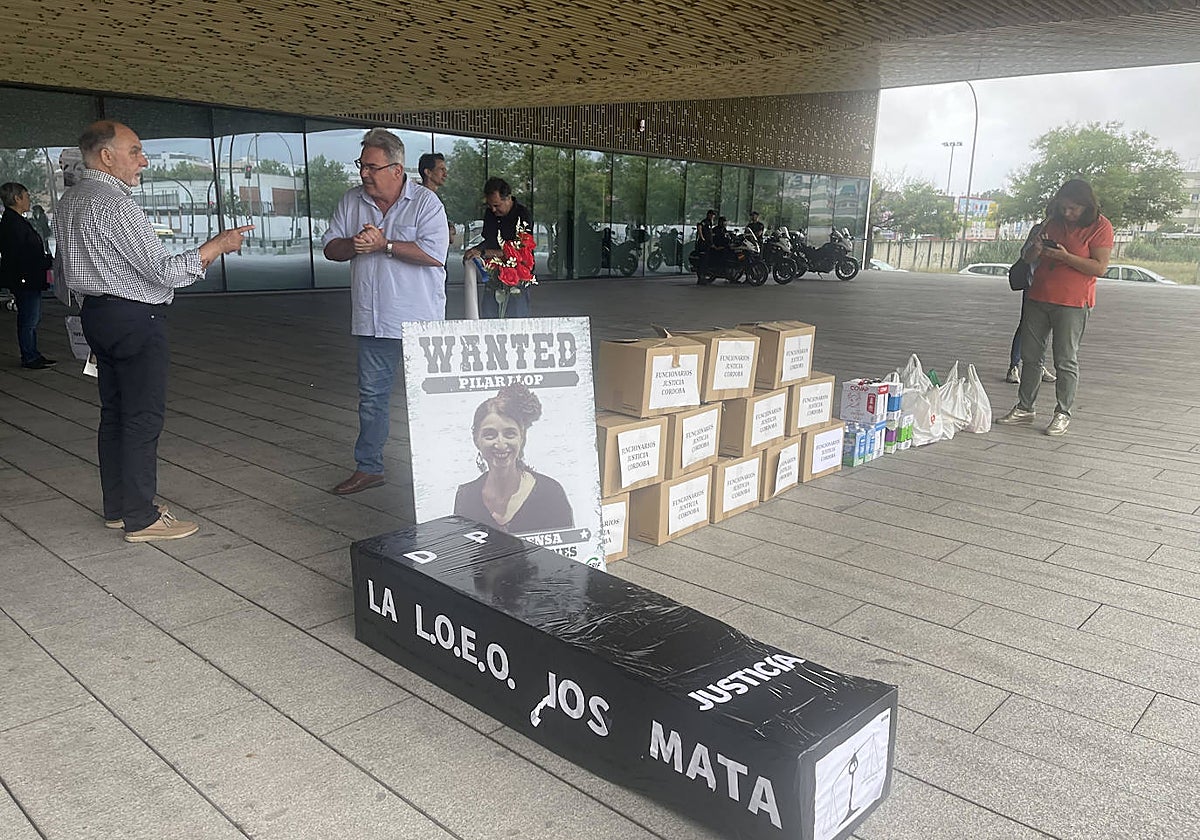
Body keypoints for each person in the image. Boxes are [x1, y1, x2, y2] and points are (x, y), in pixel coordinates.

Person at [53, 120, 253, 542]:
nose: (143, 161)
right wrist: (217, 246)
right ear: (106, 156)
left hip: (97, 315)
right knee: (142, 417)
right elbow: (163, 271)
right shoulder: (115, 204)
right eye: (135, 151)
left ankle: (118, 507)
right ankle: (141, 517)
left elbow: (66, 271)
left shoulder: (72, 199)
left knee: (114, 414)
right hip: (134, 319)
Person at [324, 128, 450, 495]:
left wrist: (386, 245)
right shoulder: (352, 201)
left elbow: (434, 254)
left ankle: (438, 469)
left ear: (396, 169)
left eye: (372, 167)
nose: (364, 173)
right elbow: (331, 248)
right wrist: (355, 243)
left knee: (427, 399)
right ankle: (369, 468)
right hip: (373, 320)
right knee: (372, 399)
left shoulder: (426, 203)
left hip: (419, 321)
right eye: (361, 165)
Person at [996, 179, 1112, 436]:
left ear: (1087, 206)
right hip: (1038, 295)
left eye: (1073, 209)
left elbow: (1100, 267)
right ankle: (1025, 408)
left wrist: (1065, 257)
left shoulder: (1100, 226)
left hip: (1073, 301)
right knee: (1031, 356)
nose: (1067, 213)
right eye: (1063, 207)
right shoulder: (1052, 221)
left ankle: (1062, 412)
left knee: (1065, 358)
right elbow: (1026, 258)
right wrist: (1035, 250)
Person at [453, 382, 573, 534]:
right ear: (476, 440)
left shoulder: (550, 494)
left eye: (509, 434)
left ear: (522, 438)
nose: (500, 444)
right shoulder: (466, 497)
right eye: (490, 435)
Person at [0, 183, 55, 369]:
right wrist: (44, 262)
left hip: (28, 276)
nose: (29, 200)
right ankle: (29, 356)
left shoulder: (14, 221)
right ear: (17, 199)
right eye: (26, 196)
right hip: (25, 278)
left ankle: (32, 353)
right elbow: (22, 254)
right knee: (29, 318)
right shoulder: (13, 224)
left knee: (31, 317)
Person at [463, 177, 533, 318]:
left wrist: (484, 252)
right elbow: (489, 240)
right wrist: (474, 250)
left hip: (517, 277)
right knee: (489, 317)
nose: (494, 210)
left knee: (516, 321)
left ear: (508, 198)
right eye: (490, 206)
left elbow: (518, 251)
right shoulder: (490, 213)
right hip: (494, 276)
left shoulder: (523, 215)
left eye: (497, 205)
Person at [417, 152, 456, 245]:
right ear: (428, 172)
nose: (445, 174)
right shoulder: (418, 199)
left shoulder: (436, 198)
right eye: (441, 169)